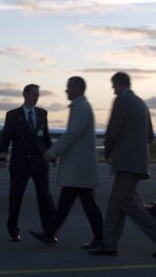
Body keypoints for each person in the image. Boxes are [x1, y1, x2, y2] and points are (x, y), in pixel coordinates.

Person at [92, 71, 156, 257]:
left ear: (119, 84)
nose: (113, 90)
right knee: (117, 203)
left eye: (114, 86)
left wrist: (108, 151)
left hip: (126, 163)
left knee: (126, 203)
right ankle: (109, 244)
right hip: (137, 162)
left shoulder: (122, 101)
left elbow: (113, 130)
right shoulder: (141, 103)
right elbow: (150, 135)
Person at [29, 76, 103, 249]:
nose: (66, 90)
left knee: (87, 206)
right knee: (68, 204)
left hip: (79, 168)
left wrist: (51, 153)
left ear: (77, 88)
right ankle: (50, 233)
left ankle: (100, 238)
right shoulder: (80, 107)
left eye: (68, 87)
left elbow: (72, 134)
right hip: (78, 169)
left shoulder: (82, 107)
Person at [0, 84, 56, 242]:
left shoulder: (42, 113)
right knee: (16, 198)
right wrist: (2, 156)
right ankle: (13, 231)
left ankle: (49, 232)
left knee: (45, 198)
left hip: (39, 163)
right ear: (24, 95)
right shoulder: (12, 115)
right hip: (19, 164)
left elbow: (46, 138)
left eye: (38, 95)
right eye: (33, 95)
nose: (36, 98)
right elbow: (5, 137)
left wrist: (52, 156)